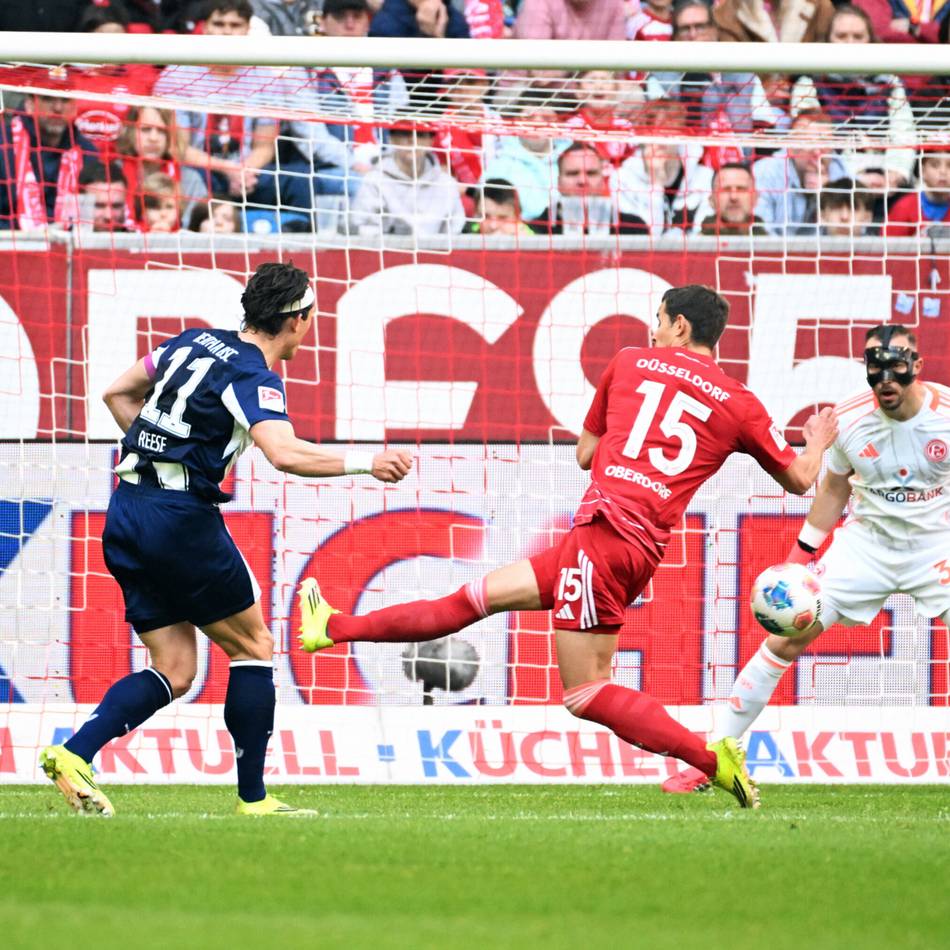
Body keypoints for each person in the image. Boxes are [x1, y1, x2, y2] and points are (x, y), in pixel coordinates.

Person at [299, 284, 840, 810]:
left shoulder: (629, 362)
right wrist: (815, 440)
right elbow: (798, 479)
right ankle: (333, 627)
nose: (652, 332)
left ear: (679, 325)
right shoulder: (739, 402)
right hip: (633, 547)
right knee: (468, 602)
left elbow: (584, 454)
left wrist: (629, 444)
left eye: (658, 320)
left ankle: (709, 759)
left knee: (585, 693)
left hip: (603, 533)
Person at [39, 262, 413, 817]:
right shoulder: (253, 377)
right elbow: (283, 453)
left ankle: (73, 754)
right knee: (254, 647)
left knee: (175, 668)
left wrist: (163, 452)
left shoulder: (192, 342)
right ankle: (253, 799)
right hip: (178, 521)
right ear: (298, 321)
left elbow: (118, 393)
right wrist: (368, 463)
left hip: (126, 512)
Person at [664, 324, 950, 793]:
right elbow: (835, 490)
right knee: (785, 639)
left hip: (936, 547)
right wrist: (800, 559)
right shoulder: (849, 421)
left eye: (896, 371)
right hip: (866, 547)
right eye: (875, 373)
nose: (885, 383)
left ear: (916, 366)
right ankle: (712, 759)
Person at [789, 5, 916, 192]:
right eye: (841, 36)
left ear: (870, 40)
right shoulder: (809, 84)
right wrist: (854, 177)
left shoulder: (890, 83)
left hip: (887, 186)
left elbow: (904, 132)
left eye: (858, 36)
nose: (850, 43)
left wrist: (895, 173)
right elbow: (811, 145)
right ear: (828, 40)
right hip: (831, 187)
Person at [348, 123, 466, 236]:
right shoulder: (374, 180)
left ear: (431, 141)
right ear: (392, 139)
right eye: (405, 133)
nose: (412, 140)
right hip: (388, 253)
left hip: (436, 254)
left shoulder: (446, 183)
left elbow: (455, 229)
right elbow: (360, 225)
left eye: (420, 134)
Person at [752, 110, 849, 235]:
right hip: (777, 251)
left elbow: (854, 232)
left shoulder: (841, 171)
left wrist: (828, 195)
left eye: (825, 144)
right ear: (791, 147)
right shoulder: (766, 172)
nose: (817, 151)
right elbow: (762, 233)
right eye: (810, 143)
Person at [531, 142, 648, 235]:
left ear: (603, 181)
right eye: (573, 173)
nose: (582, 181)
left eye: (591, 173)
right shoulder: (538, 230)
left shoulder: (633, 228)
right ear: (558, 183)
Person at [885, 146, 950, 236]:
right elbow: (887, 246)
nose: (943, 171)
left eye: (949, 165)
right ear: (922, 171)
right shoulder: (904, 207)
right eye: (935, 165)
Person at [693, 162, 769, 236]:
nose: (733, 197)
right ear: (711, 200)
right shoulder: (693, 246)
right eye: (725, 190)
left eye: (741, 189)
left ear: (755, 199)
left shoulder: (774, 245)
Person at [465, 178, 534, 235]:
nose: (493, 226)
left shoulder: (534, 244)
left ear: (518, 217)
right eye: (486, 216)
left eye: (502, 217)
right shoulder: (466, 233)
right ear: (475, 214)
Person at [79, 159, 130, 232]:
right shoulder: (61, 238)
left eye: (116, 206)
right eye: (99, 206)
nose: (109, 216)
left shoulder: (141, 240)